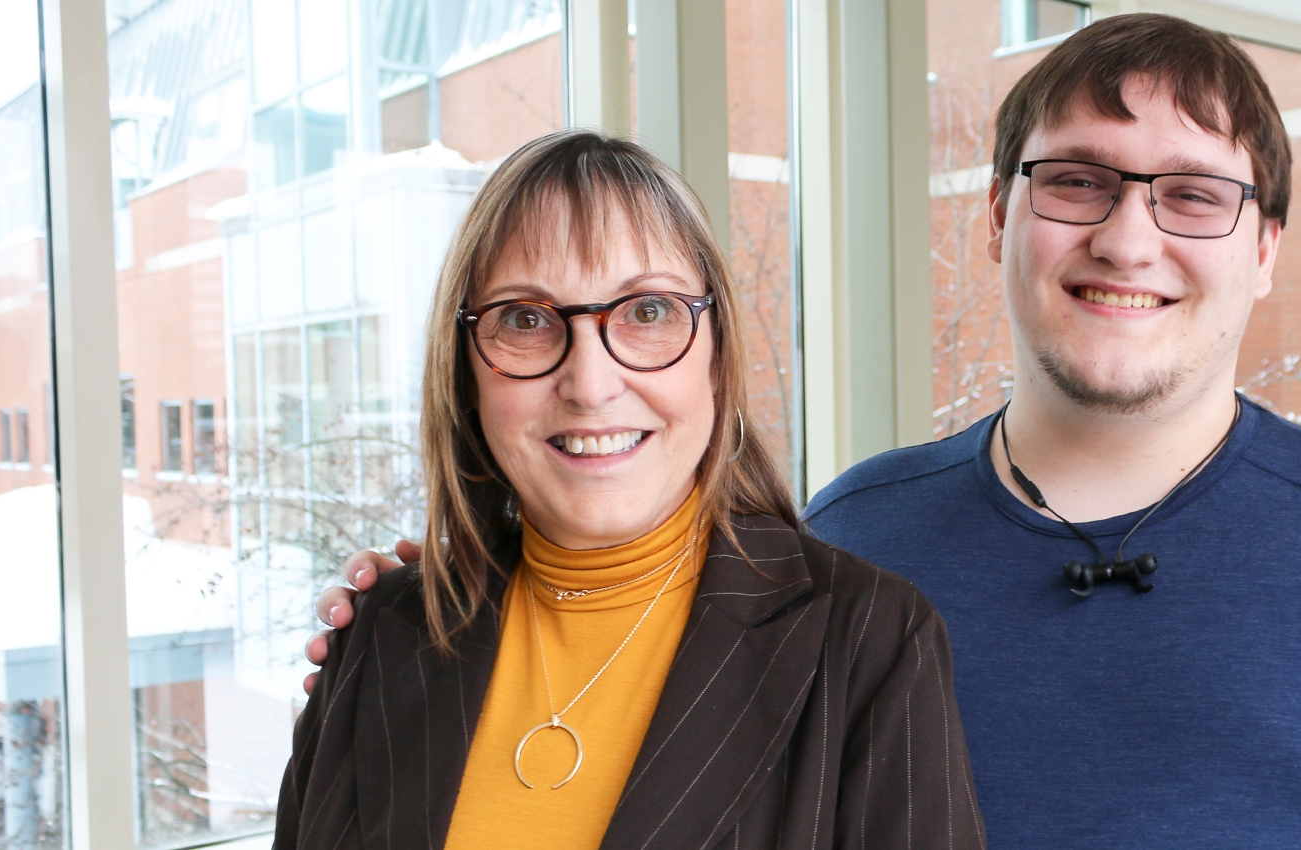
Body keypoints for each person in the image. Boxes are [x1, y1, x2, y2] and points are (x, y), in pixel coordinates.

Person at [313, 15, 1301, 849]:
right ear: (995, 216)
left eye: (1194, 197)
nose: (1128, 235)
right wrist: (427, 609)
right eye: (1078, 179)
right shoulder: (848, 540)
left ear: (1266, 248)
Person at [276, 130, 982, 850]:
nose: (589, 384)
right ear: (467, 375)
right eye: (525, 319)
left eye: (647, 312)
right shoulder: (378, 635)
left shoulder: (871, 639)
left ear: (716, 358)